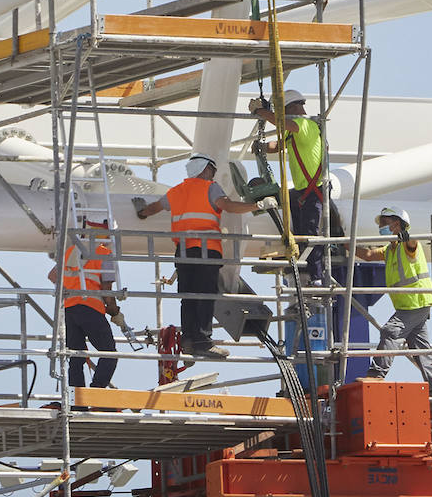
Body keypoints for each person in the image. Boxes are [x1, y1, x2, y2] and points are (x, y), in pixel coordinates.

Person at [134, 153, 273, 359]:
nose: (214, 175)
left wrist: (141, 211)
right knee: (206, 296)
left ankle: (188, 340)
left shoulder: (176, 192)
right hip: (206, 250)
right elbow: (229, 206)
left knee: (188, 297)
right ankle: (203, 342)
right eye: (213, 170)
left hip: (183, 252)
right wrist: (257, 205)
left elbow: (152, 209)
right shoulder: (210, 188)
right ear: (205, 168)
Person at [354, 205, 432, 398]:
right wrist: (345, 244)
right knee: (421, 350)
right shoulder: (390, 249)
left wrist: (407, 235)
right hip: (411, 305)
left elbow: (413, 242)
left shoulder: (406, 245)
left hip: (415, 302)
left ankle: (376, 374)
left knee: (391, 331)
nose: (381, 227)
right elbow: (368, 255)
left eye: (384, 223)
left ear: (396, 224)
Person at [248, 89, 326, 285]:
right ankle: (297, 263)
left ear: (291, 108)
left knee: (310, 232)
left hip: (313, 191)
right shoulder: (296, 131)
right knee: (298, 230)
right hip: (303, 191)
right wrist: (263, 148)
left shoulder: (305, 124)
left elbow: (283, 124)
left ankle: (315, 275)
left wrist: (261, 112)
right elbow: (281, 144)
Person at [47, 218, 123, 392]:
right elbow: (106, 289)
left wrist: (69, 290)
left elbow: (52, 275)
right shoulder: (103, 253)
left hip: (70, 309)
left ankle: (77, 400)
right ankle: (96, 391)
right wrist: (114, 311)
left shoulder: (71, 251)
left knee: (76, 356)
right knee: (109, 353)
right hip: (90, 307)